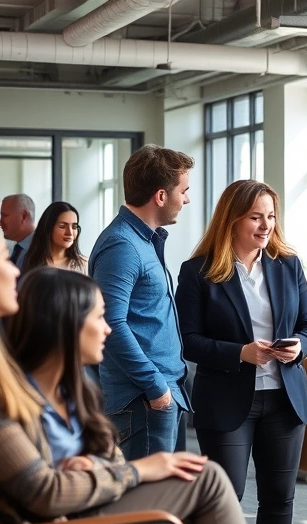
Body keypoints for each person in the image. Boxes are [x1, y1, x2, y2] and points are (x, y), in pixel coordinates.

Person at [0, 215, 274, 524]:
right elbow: (43, 491)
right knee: (204, 479)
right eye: (1, 259)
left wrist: (88, 467)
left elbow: (37, 472)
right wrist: (139, 469)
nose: (14, 271)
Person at [176, 180, 307, 524]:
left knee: (279, 498)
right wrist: (240, 353)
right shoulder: (198, 272)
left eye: (271, 216)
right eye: (256, 217)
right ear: (232, 219)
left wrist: (300, 346)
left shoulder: (287, 264)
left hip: (284, 399)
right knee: (225, 500)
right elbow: (188, 341)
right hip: (226, 400)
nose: (266, 225)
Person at [89, 144, 194, 460]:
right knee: (149, 503)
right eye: (183, 191)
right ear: (160, 196)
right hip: (143, 399)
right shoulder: (123, 246)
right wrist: (156, 388)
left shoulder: (144, 240)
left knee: (165, 499)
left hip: (155, 396)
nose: (186, 199)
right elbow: (110, 323)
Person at [21, 201, 88, 274]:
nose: (70, 233)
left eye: (74, 227)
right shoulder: (30, 262)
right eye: (62, 226)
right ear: (48, 228)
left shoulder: (84, 265)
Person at [0, 193, 35, 268]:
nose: (0, 222)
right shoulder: (16, 249)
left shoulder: (41, 250)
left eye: (5, 216)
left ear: (24, 216)